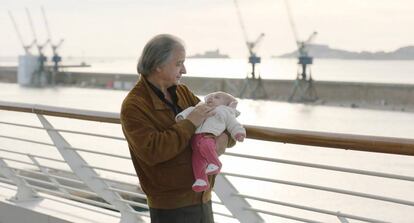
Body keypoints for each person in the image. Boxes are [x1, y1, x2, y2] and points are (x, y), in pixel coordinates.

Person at [120, 34, 236, 223]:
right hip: (170, 205)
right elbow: (153, 151)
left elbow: (217, 121)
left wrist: (224, 139)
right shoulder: (134, 105)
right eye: (178, 63)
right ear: (158, 65)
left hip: (202, 195)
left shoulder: (182, 92)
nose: (184, 69)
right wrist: (190, 122)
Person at [175, 91, 246, 192]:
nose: (211, 98)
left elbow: (233, 124)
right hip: (195, 140)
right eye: (210, 96)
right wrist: (181, 117)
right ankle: (201, 180)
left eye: (217, 97)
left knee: (206, 146)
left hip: (209, 136)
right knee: (197, 161)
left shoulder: (224, 111)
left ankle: (215, 163)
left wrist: (238, 133)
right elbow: (189, 111)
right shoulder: (200, 108)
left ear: (227, 105)